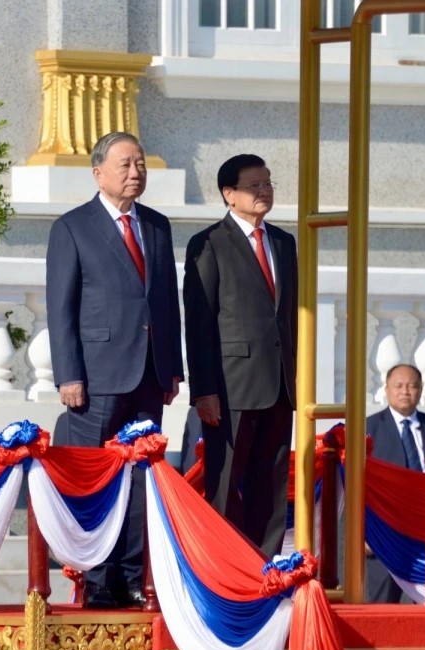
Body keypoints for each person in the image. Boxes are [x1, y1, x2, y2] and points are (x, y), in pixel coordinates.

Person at [46, 131, 184, 609]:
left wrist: (171, 366)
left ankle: (132, 574)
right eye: (125, 164)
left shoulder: (157, 226)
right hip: (97, 377)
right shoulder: (73, 227)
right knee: (99, 479)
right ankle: (98, 578)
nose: (135, 172)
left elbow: (165, 302)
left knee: (142, 477)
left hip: (149, 375)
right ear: (98, 172)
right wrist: (69, 373)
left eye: (140, 163)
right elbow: (60, 307)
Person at [183, 154, 298, 559]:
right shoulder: (209, 244)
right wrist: (204, 391)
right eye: (254, 185)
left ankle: (265, 565)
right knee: (226, 482)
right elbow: (199, 323)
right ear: (229, 194)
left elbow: (289, 316)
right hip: (231, 387)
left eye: (268, 183)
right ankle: (225, 565)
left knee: (272, 483)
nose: (264, 191)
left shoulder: (283, 242)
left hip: (279, 384)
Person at [364, 363, 425, 603]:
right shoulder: (369, 427)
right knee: (382, 605)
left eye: (412, 386)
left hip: (424, 532)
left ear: (420, 389)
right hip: (384, 532)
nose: (405, 392)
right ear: (386, 389)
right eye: (398, 386)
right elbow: (356, 484)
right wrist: (363, 533)